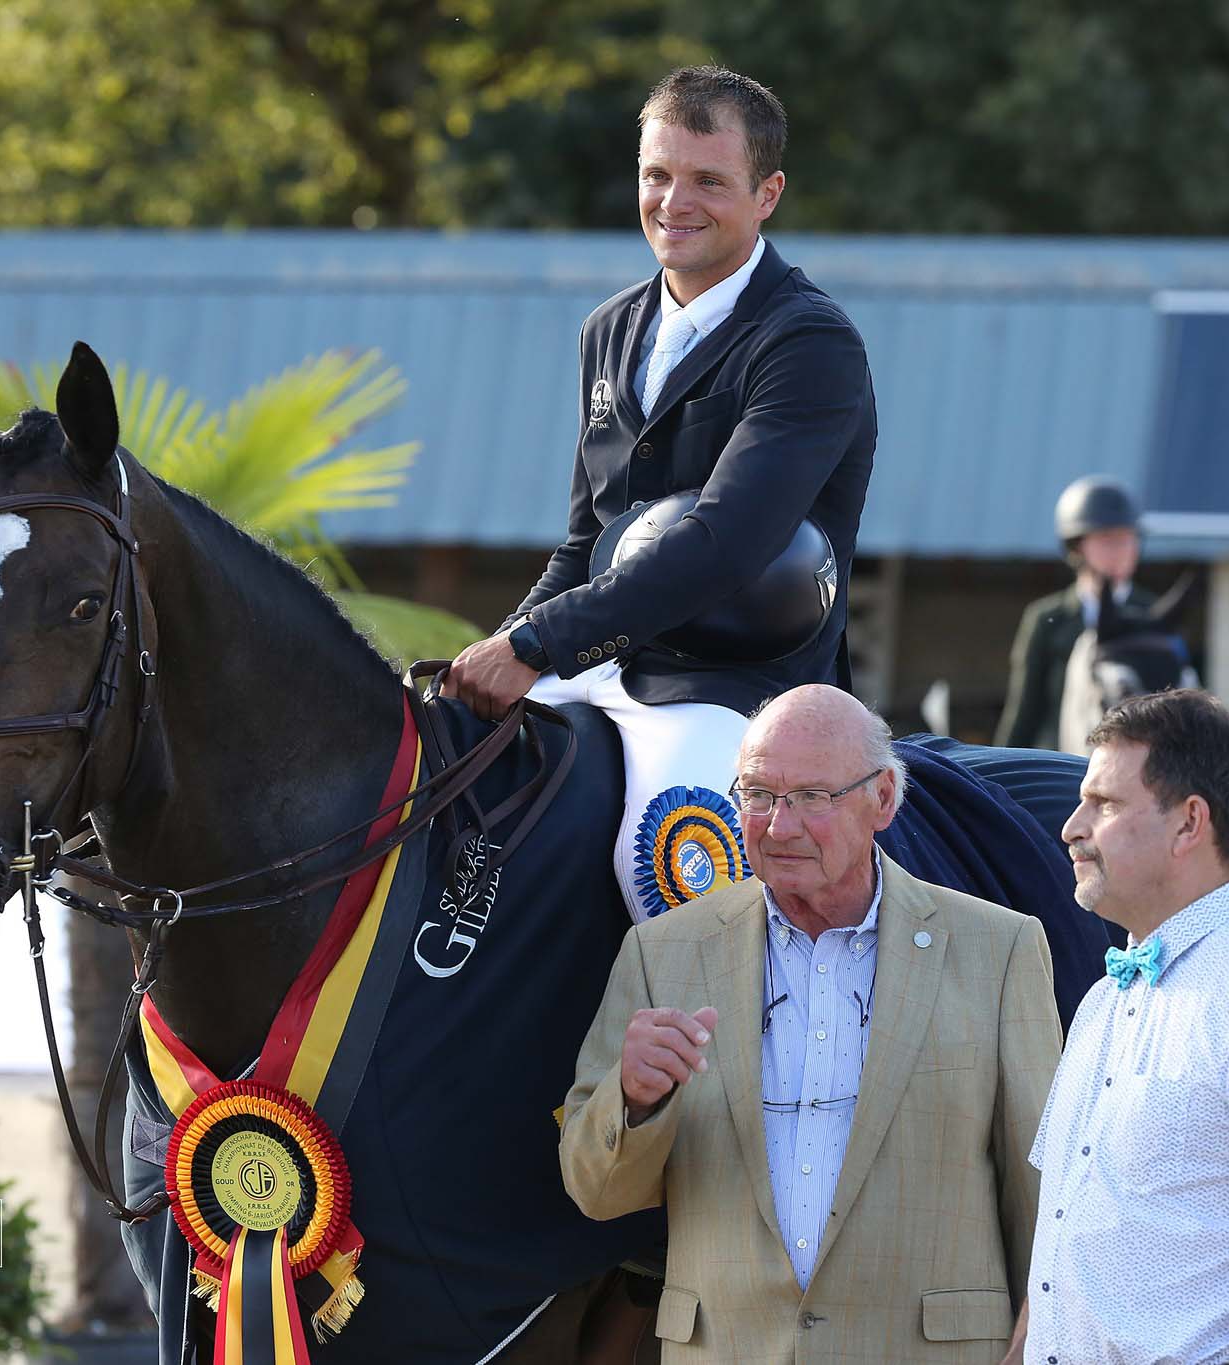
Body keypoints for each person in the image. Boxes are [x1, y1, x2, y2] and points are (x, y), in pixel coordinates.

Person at [441, 65, 878, 923]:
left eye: (709, 180)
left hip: (735, 683)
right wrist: (495, 652)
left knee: (668, 858)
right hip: (600, 661)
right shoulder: (608, 330)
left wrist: (536, 645)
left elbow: (725, 542)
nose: (674, 202)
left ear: (768, 193)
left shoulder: (811, 341)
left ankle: (711, 1054)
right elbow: (584, 542)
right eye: (657, 175)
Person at [560, 685, 1061, 1363]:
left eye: (811, 798)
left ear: (883, 798)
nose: (778, 824)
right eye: (758, 794)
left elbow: (1048, 1199)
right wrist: (635, 1098)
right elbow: (595, 1190)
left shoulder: (997, 949)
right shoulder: (662, 951)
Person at [1007, 690, 1229, 1365]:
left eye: (1106, 803)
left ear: (1188, 824)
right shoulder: (1102, 1000)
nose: (1071, 826)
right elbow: (1066, 1228)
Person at [994, 476, 1153, 752]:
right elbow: (1025, 708)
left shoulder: (1152, 614)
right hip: (1062, 762)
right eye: (1107, 539)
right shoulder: (1046, 619)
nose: (1121, 551)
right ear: (1078, 546)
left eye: (1128, 539)